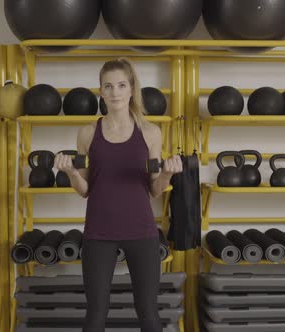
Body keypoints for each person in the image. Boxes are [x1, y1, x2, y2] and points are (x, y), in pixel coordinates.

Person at [54, 57, 183, 332]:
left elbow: (154, 190)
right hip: (99, 233)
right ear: (100, 90)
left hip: (142, 231)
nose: (115, 92)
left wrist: (168, 174)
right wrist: (70, 173)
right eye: (108, 86)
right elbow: (85, 190)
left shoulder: (150, 133)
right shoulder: (87, 133)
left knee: (148, 313)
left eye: (121, 85)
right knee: (96, 315)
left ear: (131, 88)